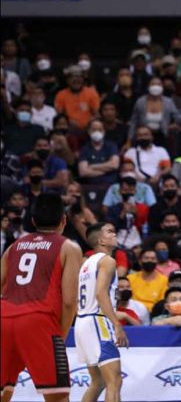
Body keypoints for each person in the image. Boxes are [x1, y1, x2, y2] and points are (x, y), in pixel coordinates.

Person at [1, 193, 83, 402]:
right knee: (58, 397)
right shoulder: (68, 247)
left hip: (4, 319)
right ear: (63, 220)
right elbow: (68, 301)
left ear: (34, 221)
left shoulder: (14, 247)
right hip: (39, 322)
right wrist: (60, 337)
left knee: (4, 390)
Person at [75, 223, 128, 402]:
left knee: (97, 382)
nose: (114, 234)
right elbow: (100, 293)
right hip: (97, 322)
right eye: (109, 232)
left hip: (82, 322)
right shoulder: (108, 261)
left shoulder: (85, 263)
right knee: (114, 381)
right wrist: (117, 324)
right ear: (101, 240)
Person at [54, 65, 100, 130]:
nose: (77, 80)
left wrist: (89, 123)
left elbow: (96, 114)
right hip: (69, 129)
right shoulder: (61, 94)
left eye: (79, 77)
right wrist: (69, 122)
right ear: (67, 80)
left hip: (88, 129)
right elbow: (60, 115)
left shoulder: (91, 92)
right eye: (73, 77)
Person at [78, 119, 120, 186]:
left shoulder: (111, 146)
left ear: (104, 132)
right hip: (91, 186)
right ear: (89, 132)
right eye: (94, 130)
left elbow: (114, 165)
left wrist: (92, 166)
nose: (97, 132)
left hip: (111, 185)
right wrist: (104, 171)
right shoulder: (85, 149)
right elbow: (83, 172)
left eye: (100, 130)